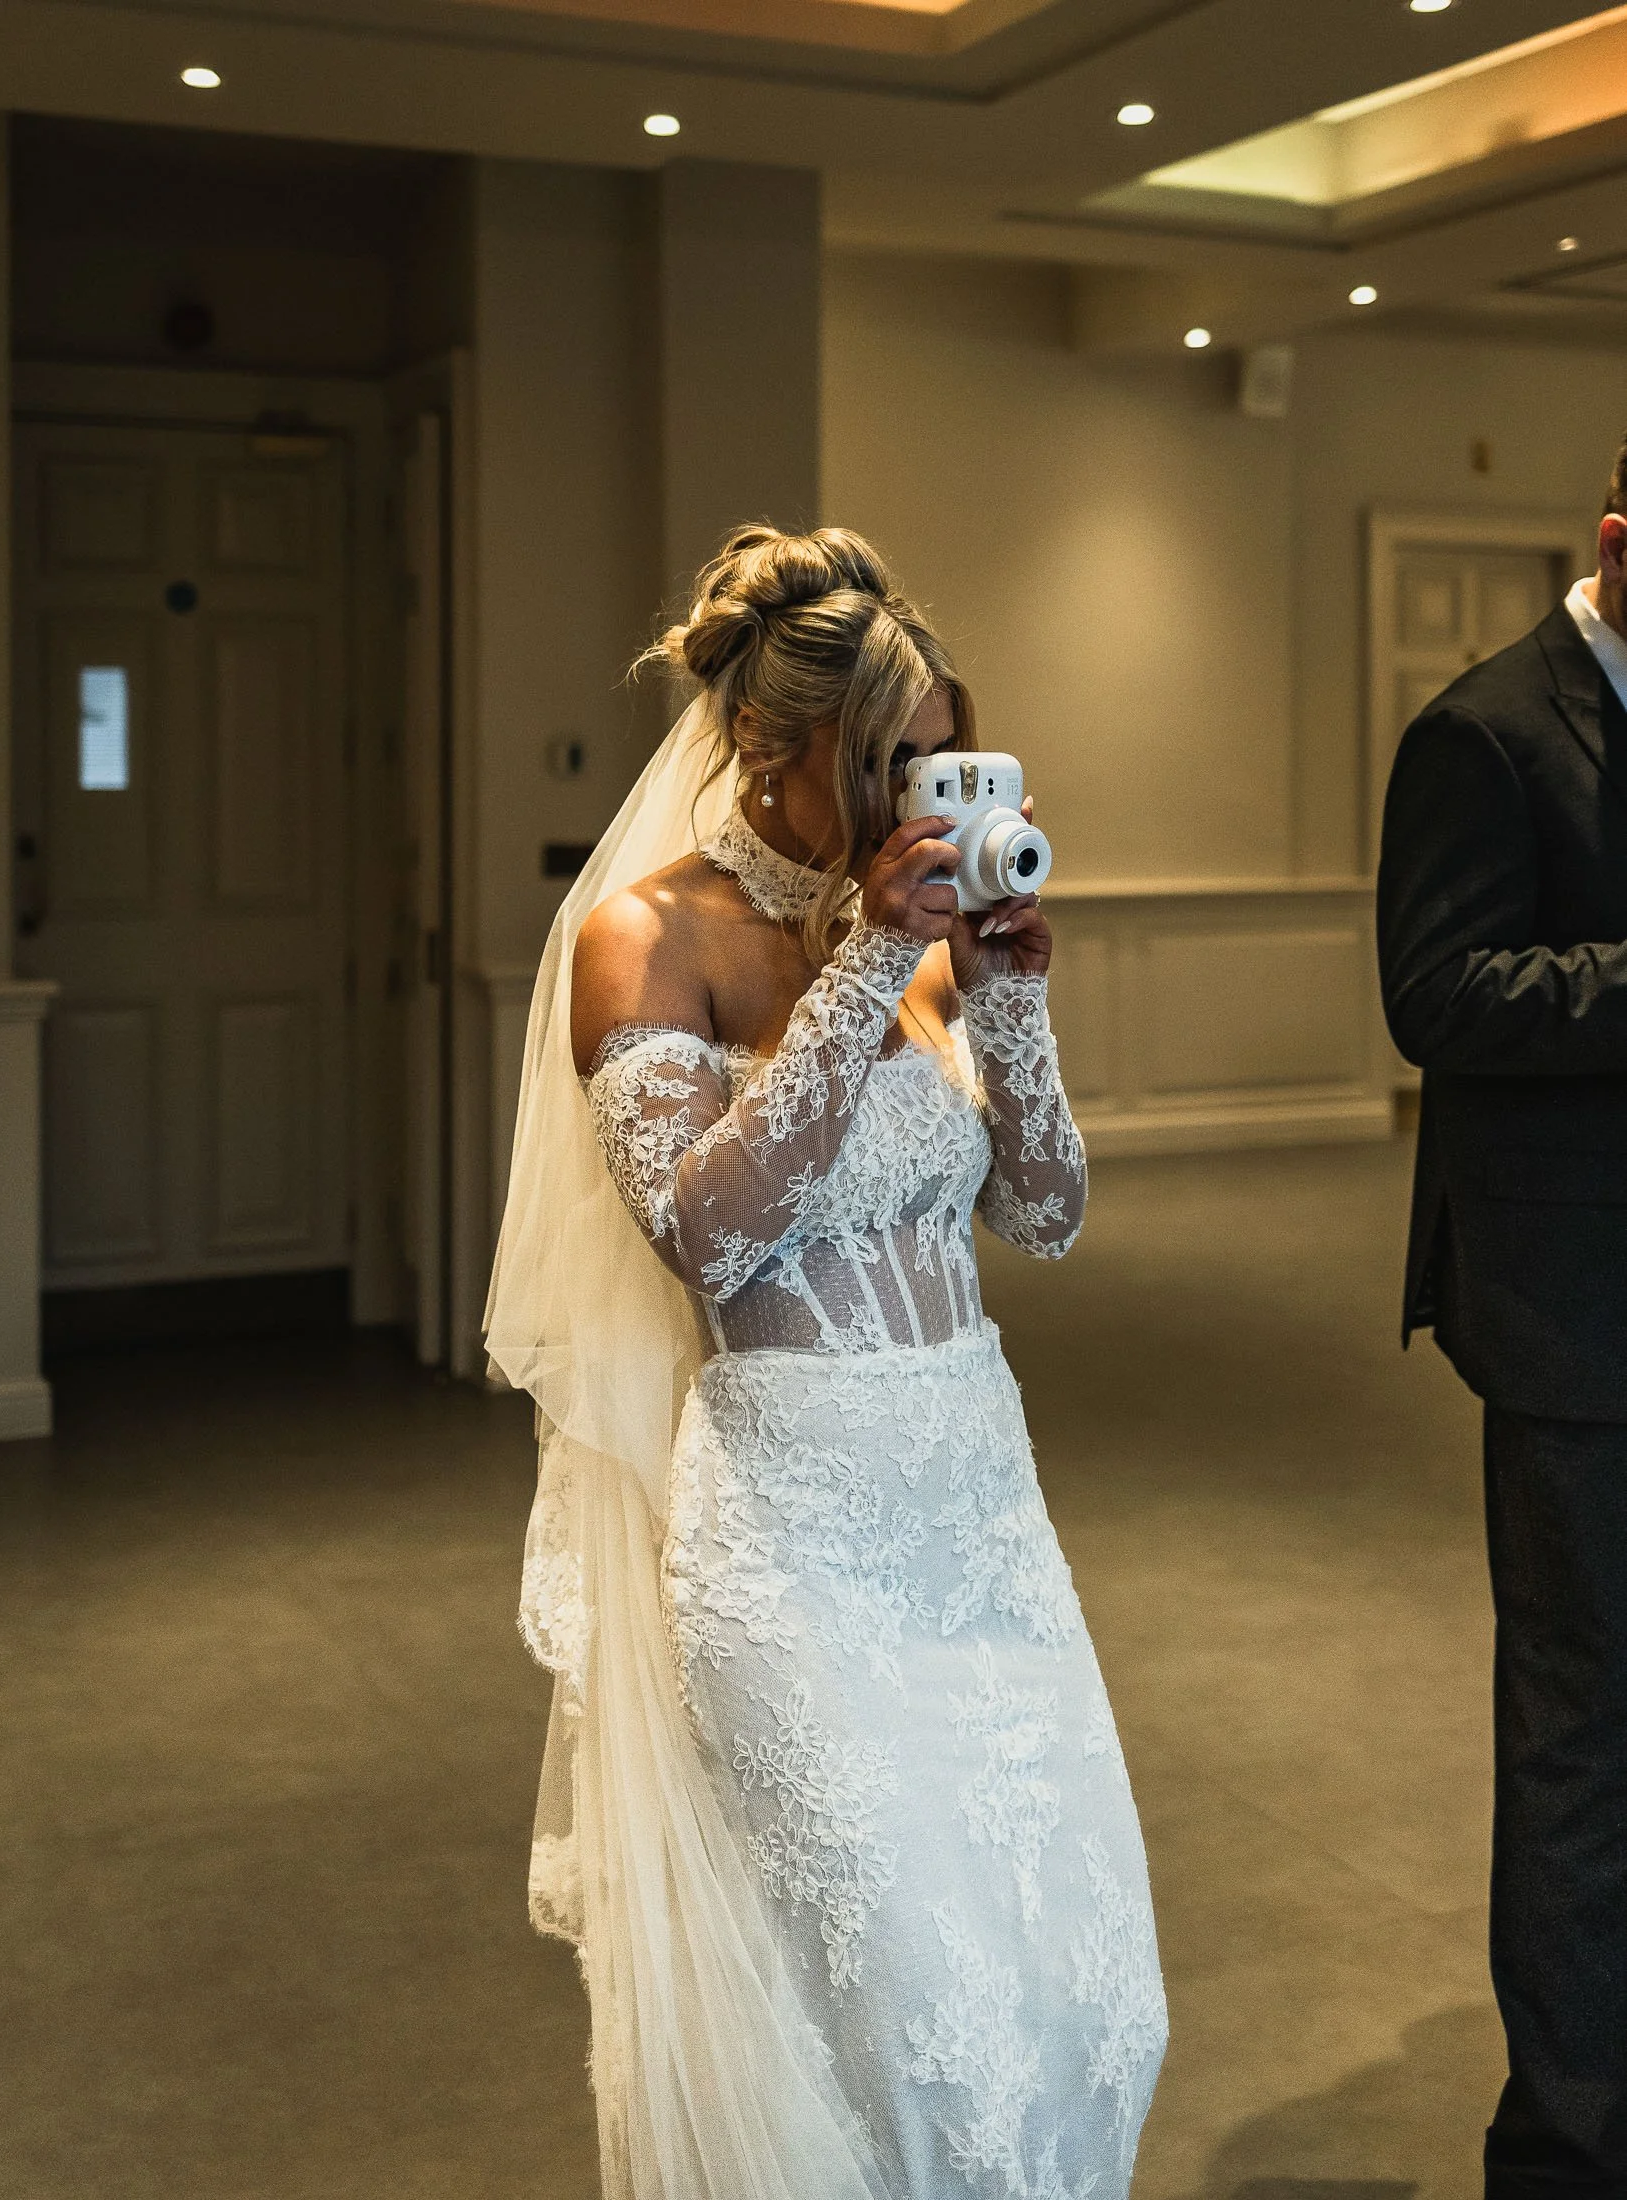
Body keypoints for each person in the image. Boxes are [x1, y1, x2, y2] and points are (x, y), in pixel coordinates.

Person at [486, 524, 1166, 2200]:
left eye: (941, 754)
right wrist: (864, 965)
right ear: (767, 756)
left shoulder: (930, 929)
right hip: (794, 1538)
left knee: (1085, 1988)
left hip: (980, 1512)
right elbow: (710, 1232)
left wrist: (1005, 1003)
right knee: (906, 2011)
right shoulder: (647, 940)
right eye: (886, 762)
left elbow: (1049, 1213)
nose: (922, 795)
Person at [1378, 444, 1627, 2200]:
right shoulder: (1482, 729)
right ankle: (1563, 2150)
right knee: (1580, 1737)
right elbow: (1434, 996)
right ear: (1619, 545)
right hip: (1570, 1312)